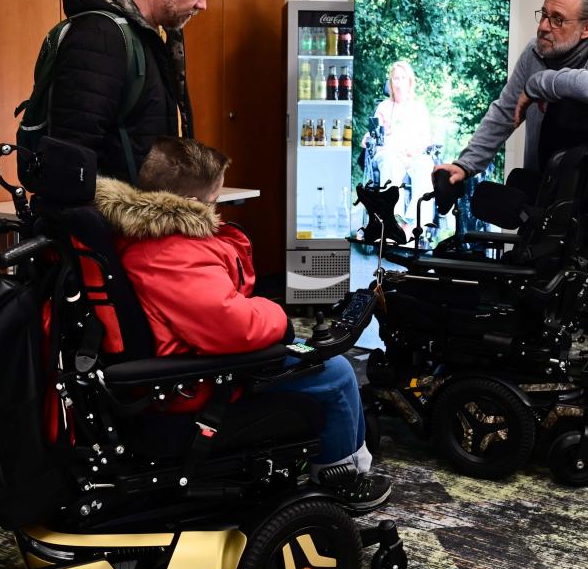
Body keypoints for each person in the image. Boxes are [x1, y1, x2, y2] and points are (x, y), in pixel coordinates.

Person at [95, 135, 391, 509]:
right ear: (191, 204)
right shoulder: (172, 251)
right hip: (201, 380)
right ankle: (342, 480)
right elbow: (232, 326)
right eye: (214, 199)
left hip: (190, 364)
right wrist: (278, 317)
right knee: (336, 373)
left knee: (320, 363)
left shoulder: (145, 238)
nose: (217, 206)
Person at [434, 0, 588, 347]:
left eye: (558, 19)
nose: (544, 26)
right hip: (550, 194)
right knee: (538, 284)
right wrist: (465, 166)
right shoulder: (535, 52)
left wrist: (539, 84)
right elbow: (504, 112)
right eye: (543, 15)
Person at [50, 0, 219, 181]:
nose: (203, 5)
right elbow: (73, 155)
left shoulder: (156, 35)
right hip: (111, 207)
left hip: (143, 205)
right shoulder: (99, 36)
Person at [373, 61, 433, 236]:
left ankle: (413, 224)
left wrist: (414, 151)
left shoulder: (419, 108)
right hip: (390, 153)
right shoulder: (383, 107)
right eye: (395, 79)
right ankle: (393, 222)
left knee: (426, 164)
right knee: (390, 162)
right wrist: (370, 137)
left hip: (412, 155)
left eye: (402, 78)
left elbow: (426, 138)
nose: (399, 83)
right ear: (390, 83)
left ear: (410, 81)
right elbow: (373, 134)